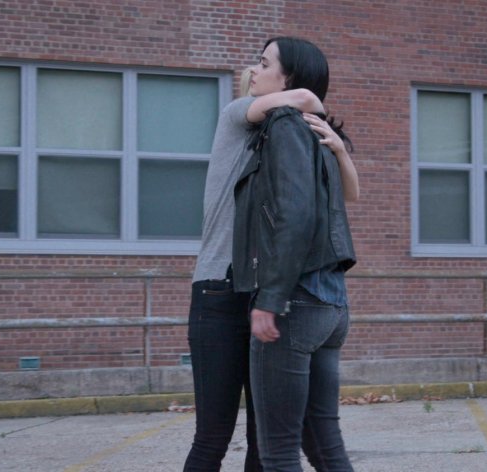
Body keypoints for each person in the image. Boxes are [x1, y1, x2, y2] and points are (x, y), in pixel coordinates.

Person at [184, 62, 359, 471]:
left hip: (264, 286)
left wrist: (337, 147)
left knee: (264, 437)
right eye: (254, 86)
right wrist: (306, 106)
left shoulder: (289, 139)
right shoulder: (236, 118)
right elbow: (305, 98)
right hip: (219, 287)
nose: (255, 86)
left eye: (263, 68)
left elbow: (347, 196)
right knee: (213, 435)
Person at [232, 36, 356, 471]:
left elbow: (295, 214)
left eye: (264, 63)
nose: (255, 69)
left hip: (296, 301)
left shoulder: (284, 125)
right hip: (331, 302)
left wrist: (270, 298)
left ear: (288, 79)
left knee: (279, 449)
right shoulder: (315, 131)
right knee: (325, 443)